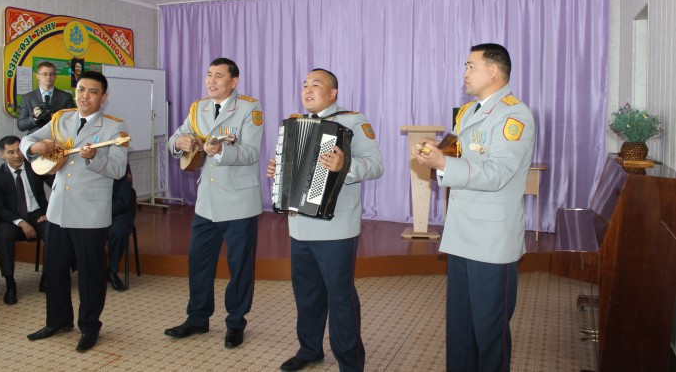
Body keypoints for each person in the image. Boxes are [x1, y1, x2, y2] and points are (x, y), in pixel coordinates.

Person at [411, 43, 535, 372]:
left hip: (491, 241)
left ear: (493, 71)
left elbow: (497, 173)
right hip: (462, 233)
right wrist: (435, 153)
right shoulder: (468, 112)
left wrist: (443, 163)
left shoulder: (514, 115)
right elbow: (456, 153)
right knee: (460, 328)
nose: (464, 73)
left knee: (489, 331)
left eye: (470, 66)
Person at [266, 68, 384, 372]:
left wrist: (346, 165)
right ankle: (309, 350)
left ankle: (350, 362)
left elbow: (376, 165)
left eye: (315, 85)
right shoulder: (294, 123)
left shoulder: (353, 121)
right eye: (304, 84)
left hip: (336, 228)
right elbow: (291, 169)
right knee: (306, 295)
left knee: (340, 298)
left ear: (333, 94)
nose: (307, 89)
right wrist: (278, 170)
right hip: (299, 227)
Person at [21, 70, 128, 352]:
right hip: (58, 210)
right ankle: (58, 321)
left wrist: (95, 158)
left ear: (103, 97)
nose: (85, 96)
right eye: (81, 89)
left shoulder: (114, 127)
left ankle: (89, 326)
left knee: (90, 275)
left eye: (93, 91)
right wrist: (36, 146)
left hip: (90, 214)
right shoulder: (62, 119)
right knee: (54, 271)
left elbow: (118, 169)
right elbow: (25, 141)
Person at [164, 57, 263, 350]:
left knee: (239, 266)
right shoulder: (199, 108)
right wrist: (179, 142)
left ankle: (235, 323)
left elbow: (251, 153)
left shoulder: (249, 108)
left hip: (239, 201)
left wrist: (220, 151)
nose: (211, 80)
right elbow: (176, 137)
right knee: (199, 261)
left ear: (233, 81)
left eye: (218, 76)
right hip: (206, 202)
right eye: (209, 75)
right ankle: (197, 318)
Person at [0, 136, 48, 305]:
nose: (16, 156)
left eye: (19, 151)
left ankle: (47, 278)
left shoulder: (36, 167)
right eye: (11, 152)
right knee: (4, 236)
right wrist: (21, 222)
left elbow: (57, 186)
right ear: (2, 155)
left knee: (53, 231)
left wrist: (50, 212)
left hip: (37, 214)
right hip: (11, 219)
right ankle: (10, 284)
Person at [17, 61, 75, 135]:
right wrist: (34, 118)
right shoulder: (28, 98)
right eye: (44, 74)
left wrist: (56, 116)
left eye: (52, 74)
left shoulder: (65, 96)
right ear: (38, 76)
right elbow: (21, 125)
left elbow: (73, 120)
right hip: (35, 138)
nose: (48, 77)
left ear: (56, 76)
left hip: (58, 138)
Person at [106, 164, 135, 292]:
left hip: (117, 212)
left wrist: (103, 213)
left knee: (119, 230)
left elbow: (123, 199)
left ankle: (112, 271)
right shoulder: (86, 162)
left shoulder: (120, 164)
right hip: (93, 212)